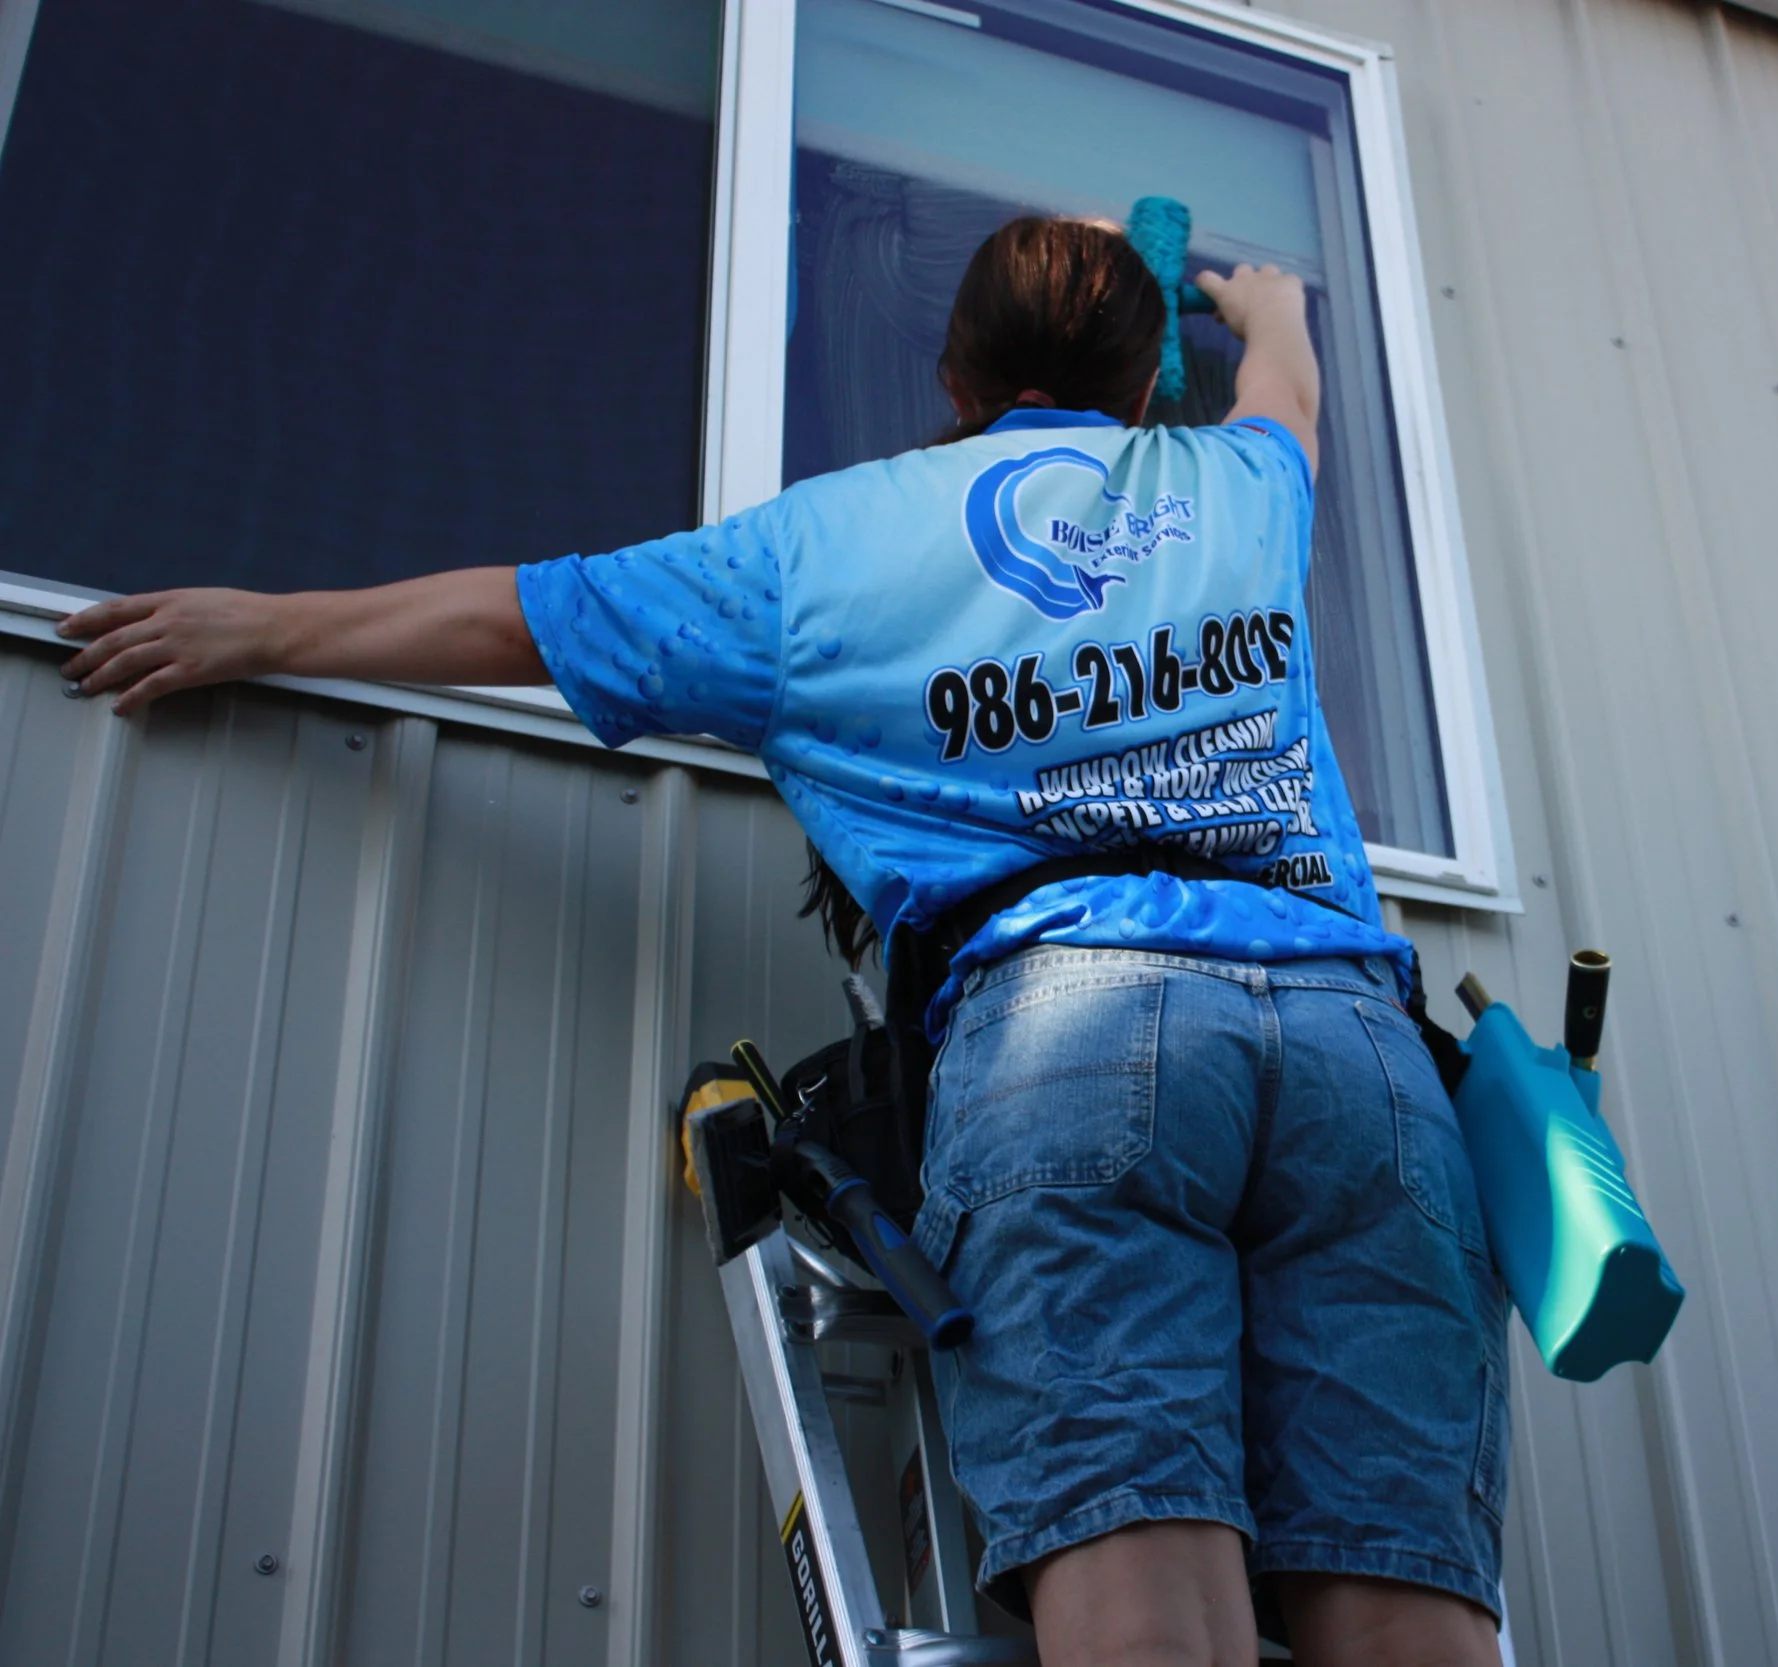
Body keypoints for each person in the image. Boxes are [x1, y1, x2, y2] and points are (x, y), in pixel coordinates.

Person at [55, 216, 1506, 1667]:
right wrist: (1273, 306)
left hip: (1082, 1028)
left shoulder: (828, 546)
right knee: (1401, 1598)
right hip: (1356, 1054)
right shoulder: (1237, 484)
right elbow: (1289, 399)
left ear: (952, 375)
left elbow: (521, 618)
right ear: (1141, 392)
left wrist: (261, 628)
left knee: (1146, 1609)